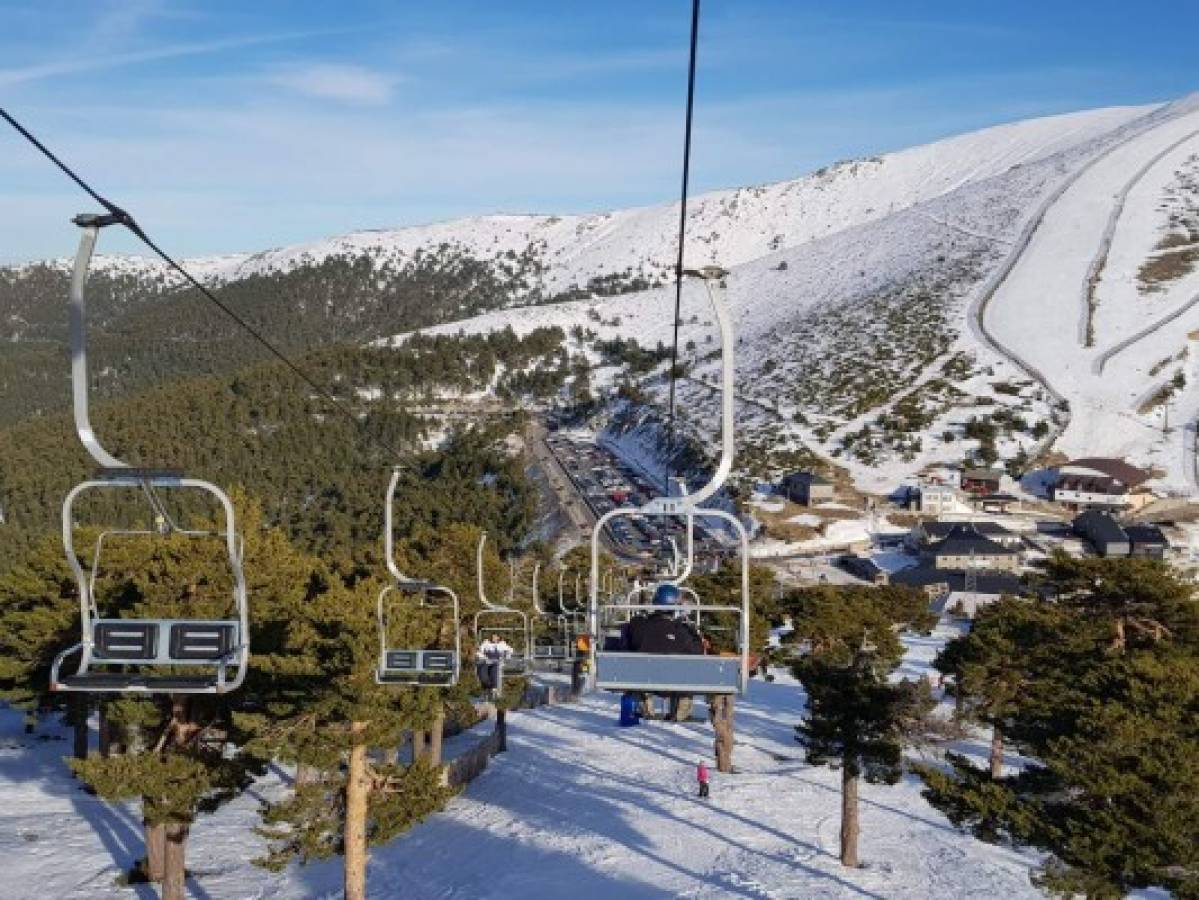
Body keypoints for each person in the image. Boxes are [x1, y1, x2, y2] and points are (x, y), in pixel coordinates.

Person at [622, 583, 704, 655]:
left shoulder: (638, 625)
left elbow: (627, 643)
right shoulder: (683, 632)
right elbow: (698, 651)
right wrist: (693, 631)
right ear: (676, 607)